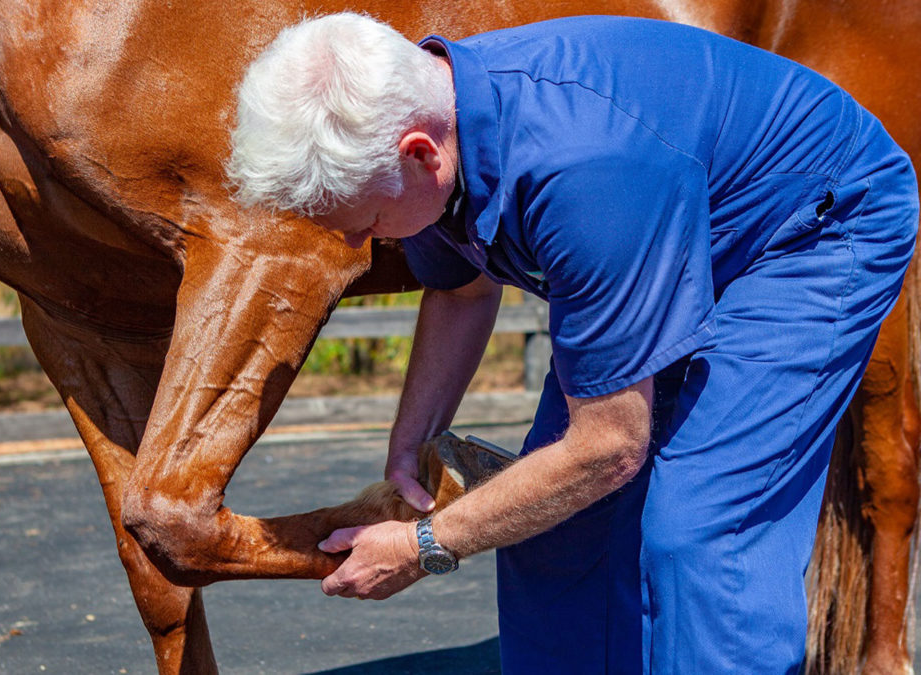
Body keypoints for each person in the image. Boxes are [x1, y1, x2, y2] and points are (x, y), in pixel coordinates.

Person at [225, 12, 919, 673]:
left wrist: (426, 545)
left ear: (421, 154)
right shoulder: (426, 126)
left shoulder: (584, 171)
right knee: (545, 524)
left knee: (700, 531)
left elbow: (609, 446)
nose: (358, 243)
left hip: (809, 226)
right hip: (666, 223)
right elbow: (463, 290)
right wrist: (412, 441)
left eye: (365, 219)